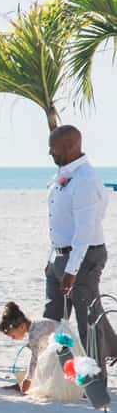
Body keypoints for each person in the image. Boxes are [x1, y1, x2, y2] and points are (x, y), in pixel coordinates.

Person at [44, 126, 117, 363]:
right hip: (60, 256)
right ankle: (43, 375)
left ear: (69, 146)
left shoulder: (85, 179)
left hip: (82, 257)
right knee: (51, 319)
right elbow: (59, 223)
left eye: (53, 148)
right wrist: (51, 259)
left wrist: (71, 270)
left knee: (88, 321)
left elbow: (84, 231)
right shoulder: (63, 174)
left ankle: (95, 380)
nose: (49, 152)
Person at [0, 300, 84, 402]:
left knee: (48, 366)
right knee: (53, 364)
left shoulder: (33, 334)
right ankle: (74, 388)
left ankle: (61, 390)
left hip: (61, 344)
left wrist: (28, 379)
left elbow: (34, 359)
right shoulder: (36, 322)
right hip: (68, 339)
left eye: (13, 335)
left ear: (21, 327)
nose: (13, 338)